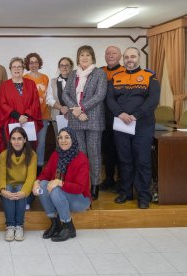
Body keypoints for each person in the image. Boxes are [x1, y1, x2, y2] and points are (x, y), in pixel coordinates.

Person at [107, 47, 160, 209]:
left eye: (133, 56)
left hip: (143, 125)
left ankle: (144, 195)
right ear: (123, 59)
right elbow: (110, 99)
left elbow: (153, 100)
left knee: (142, 161)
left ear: (139, 58)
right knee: (124, 160)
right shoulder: (116, 77)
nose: (130, 59)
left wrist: (136, 114)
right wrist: (120, 113)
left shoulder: (149, 76)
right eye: (127, 57)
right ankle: (126, 192)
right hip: (121, 124)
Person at [62, 45, 107, 200]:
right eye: (82, 55)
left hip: (93, 119)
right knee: (80, 154)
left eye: (88, 55)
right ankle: (82, 184)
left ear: (92, 57)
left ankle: (95, 185)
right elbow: (66, 93)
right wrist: (74, 109)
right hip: (76, 119)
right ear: (78, 58)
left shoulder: (100, 73)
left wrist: (80, 108)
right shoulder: (73, 74)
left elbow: (100, 95)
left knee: (94, 153)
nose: (85, 58)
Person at [33, 127, 90, 242]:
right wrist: (36, 182)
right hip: (61, 196)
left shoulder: (81, 158)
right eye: (60, 138)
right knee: (43, 185)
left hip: (80, 200)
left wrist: (59, 183)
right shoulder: (56, 155)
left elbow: (80, 188)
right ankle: (55, 224)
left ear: (73, 139)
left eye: (67, 137)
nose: (63, 141)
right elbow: (45, 174)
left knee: (55, 189)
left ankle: (68, 227)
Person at [0, 57, 42, 154]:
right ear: (10, 69)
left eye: (19, 67)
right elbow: (2, 104)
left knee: (28, 150)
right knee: (12, 150)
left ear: (23, 68)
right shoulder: (4, 85)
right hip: (11, 121)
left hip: (28, 121)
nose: (17, 69)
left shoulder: (31, 84)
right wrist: (17, 116)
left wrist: (25, 116)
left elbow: (35, 102)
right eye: (14, 67)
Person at [0, 127, 37, 242]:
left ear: (25, 140)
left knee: (19, 187)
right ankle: (10, 226)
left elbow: (31, 177)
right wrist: (2, 190)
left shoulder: (32, 155)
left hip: (25, 192)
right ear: (9, 140)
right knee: (9, 188)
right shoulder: (3, 155)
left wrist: (23, 192)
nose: (16, 142)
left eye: (19, 138)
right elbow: (1, 177)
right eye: (13, 139)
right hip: (9, 191)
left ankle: (19, 226)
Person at [100, 46, 125, 192]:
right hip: (103, 119)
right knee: (107, 151)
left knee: (121, 150)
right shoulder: (100, 71)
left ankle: (122, 180)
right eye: (108, 53)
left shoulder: (125, 72)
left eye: (114, 53)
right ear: (104, 56)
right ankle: (109, 178)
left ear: (120, 56)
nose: (110, 55)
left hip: (120, 117)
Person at [23, 52, 50, 175]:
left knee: (41, 143)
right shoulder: (24, 78)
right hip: (29, 117)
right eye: (31, 62)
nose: (34, 64)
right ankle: (28, 168)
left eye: (36, 62)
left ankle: (39, 168)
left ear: (39, 63)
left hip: (43, 116)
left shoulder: (45, 77)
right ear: (28, 64)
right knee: (28, 143)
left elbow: (48, 96)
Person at [47, 57, 74, 136]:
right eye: (62, 65)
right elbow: (49, 99)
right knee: (60, 141)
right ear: (59, 67)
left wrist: (69, 109)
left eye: (67, 65)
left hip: (74, 116)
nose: (64, 67)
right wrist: (61, 108)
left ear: (71, 67)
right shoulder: (52, 81)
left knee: (75, 140)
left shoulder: (77, 81)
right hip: (57, 117)